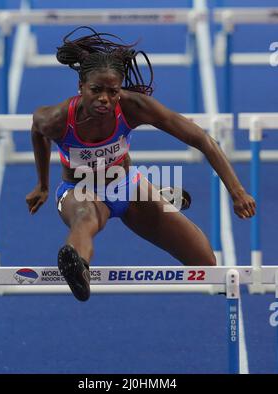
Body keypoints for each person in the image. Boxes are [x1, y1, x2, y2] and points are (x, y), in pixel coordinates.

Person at [26, 27, 256, 302]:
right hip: (79, 190)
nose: (104, 99)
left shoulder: (134, 107)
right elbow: (38, 132)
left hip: (127, 187)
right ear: (80, 87)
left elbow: (201, 139)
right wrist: (42, 184)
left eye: (112, 92)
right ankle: (77, 266)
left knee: (206, 264)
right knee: (85, 217)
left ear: (120, 90)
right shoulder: (56, 118)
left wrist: (237, 191)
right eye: (96, 90)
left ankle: (155, 193)